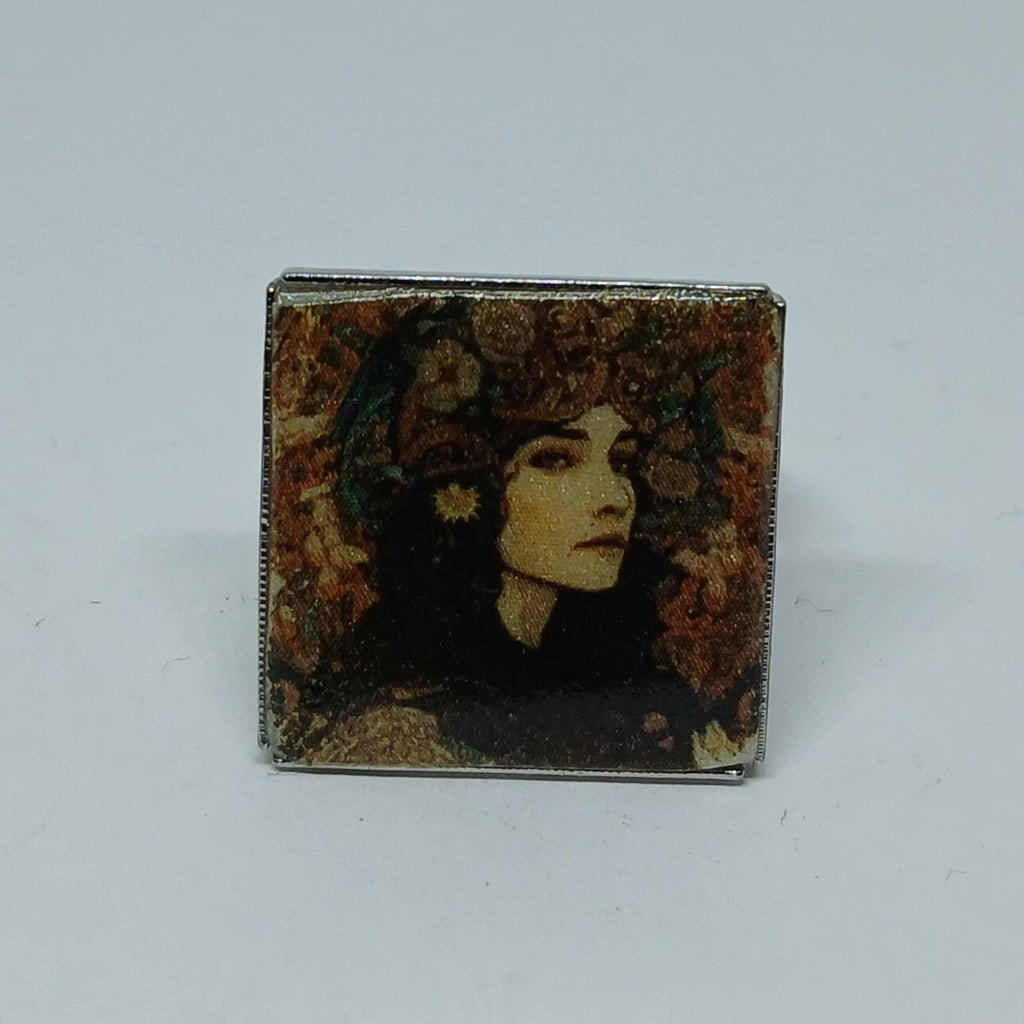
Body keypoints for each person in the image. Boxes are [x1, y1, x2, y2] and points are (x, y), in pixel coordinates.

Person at [284, 296, 725, 770]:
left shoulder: (619, 678)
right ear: (468, 482)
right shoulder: (405, 716)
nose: (614, 497)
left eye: (622, 462)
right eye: (555, 460)